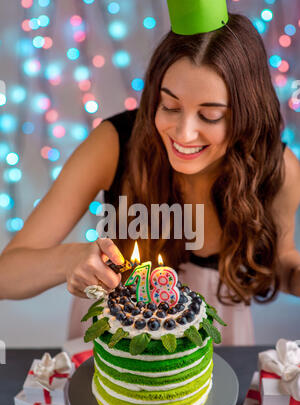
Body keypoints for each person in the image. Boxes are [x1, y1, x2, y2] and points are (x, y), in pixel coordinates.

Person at [0, 13, 299, 346]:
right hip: (117, 336)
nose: (183, 133)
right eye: (169, 106)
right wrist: (69, 258)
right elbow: (6, 275)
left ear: (248, 114)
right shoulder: (115, 143)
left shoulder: (278, 168)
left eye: (210, 115)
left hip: (217, 337)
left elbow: (282, 262)